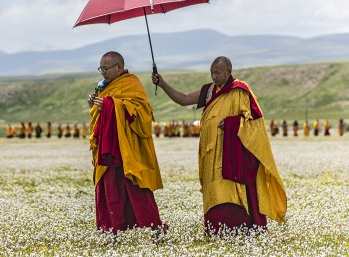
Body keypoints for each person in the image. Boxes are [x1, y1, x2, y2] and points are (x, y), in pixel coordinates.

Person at [152, 56, 286, 234]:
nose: (214, 76)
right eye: (211, 73)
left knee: (233, 191)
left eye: (218, 73)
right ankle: (216, 228)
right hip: (211, 153)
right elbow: (183, 99)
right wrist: (163, 84)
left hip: (233, 155)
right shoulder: (208, 91)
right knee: (214, 191)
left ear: (229, 72)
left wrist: (233, 124)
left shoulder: (240, 90)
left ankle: (241, 227)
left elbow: (255, 122)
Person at [88, 51, 165, 234]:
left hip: (128, 147)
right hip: (108, 147)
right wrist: (97, 103)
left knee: (135, 187)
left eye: (106, 68)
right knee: (110, 188)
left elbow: (142, 113)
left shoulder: (132, 84)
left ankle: (150, 226)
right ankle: (113, 227)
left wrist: (110, 105)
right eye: (101, 68)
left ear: (119, 67)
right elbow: (101, 112)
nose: (103, 72)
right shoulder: (103, 86)